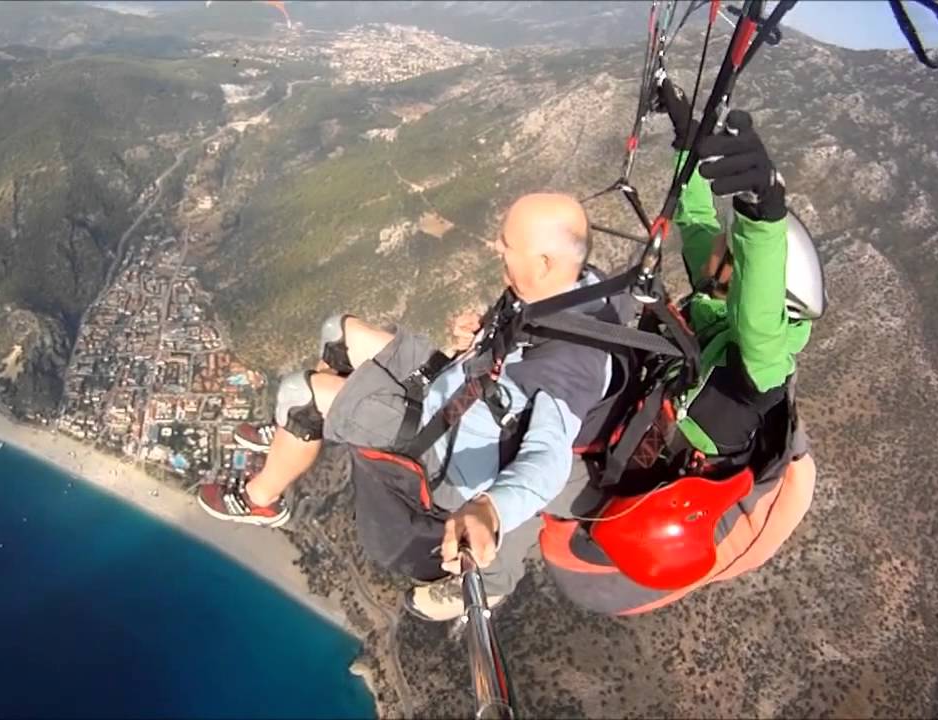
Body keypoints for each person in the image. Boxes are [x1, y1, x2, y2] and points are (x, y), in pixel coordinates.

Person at [198, 192, 617, 621]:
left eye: (507, 244)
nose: (497, 248)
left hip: (443, 448)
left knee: (297, 394)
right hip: (453, 391)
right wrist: (474, 342)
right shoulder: (569, 289)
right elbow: (511, 364)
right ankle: (300, 431)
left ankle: (262, 498)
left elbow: (547, 460)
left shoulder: (573, 360)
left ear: (544, 262)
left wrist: (490, 509)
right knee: (337, 332)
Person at [538, 79, 823, 616]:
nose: (719, 239)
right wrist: (688, 138)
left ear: (745, 282)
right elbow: (695, 222)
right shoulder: (715, 305)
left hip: (614, 525)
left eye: (732, 248)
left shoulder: (755, 378)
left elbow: (760, 328)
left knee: (497, 448)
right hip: (619, 452)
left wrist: (763, 218)